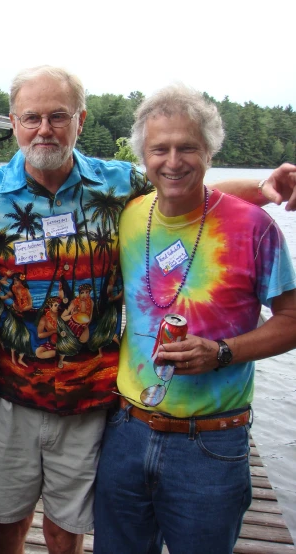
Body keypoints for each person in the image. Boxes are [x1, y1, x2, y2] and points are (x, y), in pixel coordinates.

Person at [0, 65, 296, 554]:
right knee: (6, 527)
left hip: (93, 399)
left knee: (64, 530)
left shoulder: (118, 185)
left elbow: (185, 187)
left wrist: (263, 190)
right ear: (12, 121)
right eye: (31, 117)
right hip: (12, 396)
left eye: (58, 116)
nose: (45, 129)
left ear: (80, 119)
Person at [93, 85, 296, 554]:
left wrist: (223, 352)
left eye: (188, 147)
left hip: (210, 445)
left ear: (208, 151)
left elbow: (291, 318)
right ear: (144, 155)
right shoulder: (128, 216)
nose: (173, 161)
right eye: (160, 149)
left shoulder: (252, 227)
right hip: (127, 430)